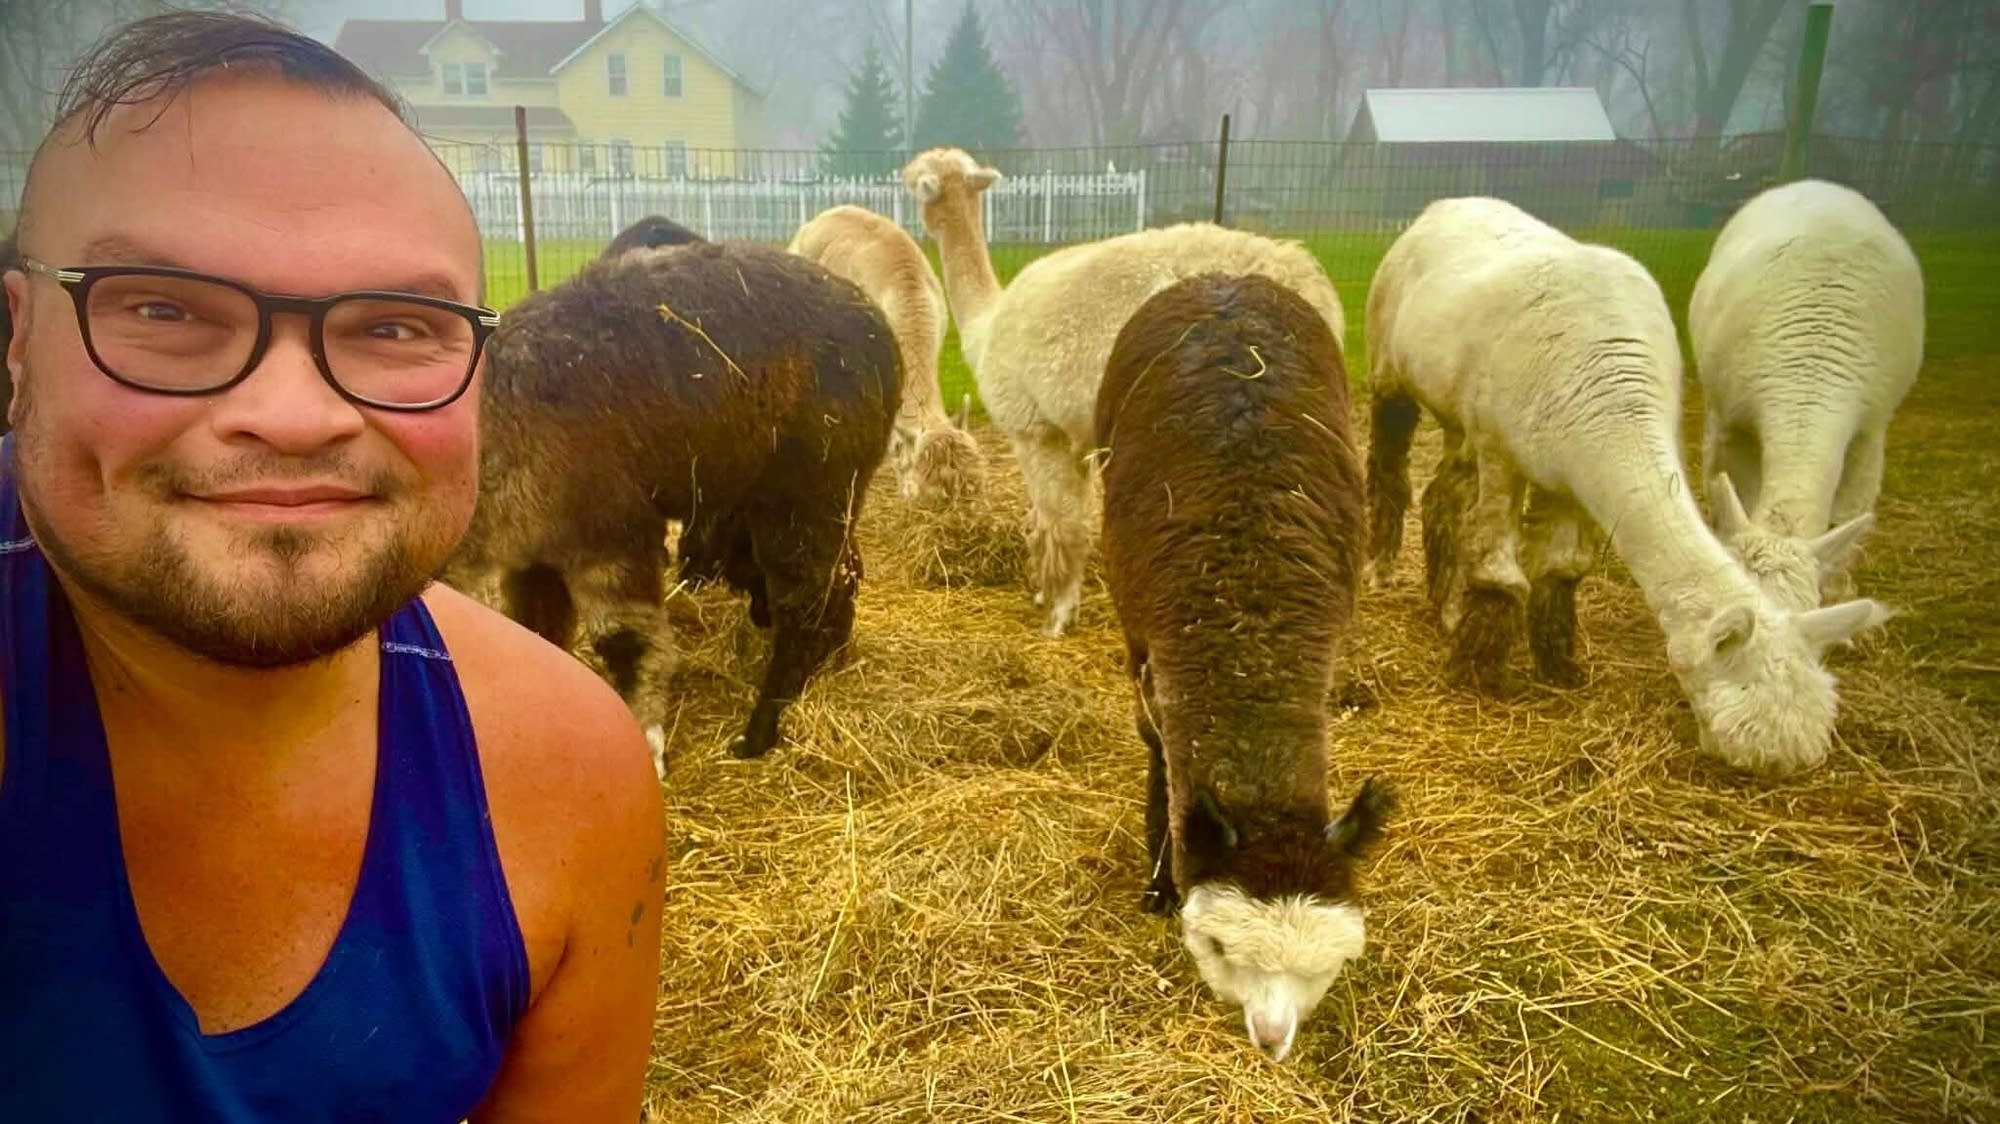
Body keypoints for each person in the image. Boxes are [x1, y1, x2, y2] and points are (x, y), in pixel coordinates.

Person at [0, 13, 665, 1122]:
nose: (296, 414)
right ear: (17, 343)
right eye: (164, 310)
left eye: (396, 327)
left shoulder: (568, 779)